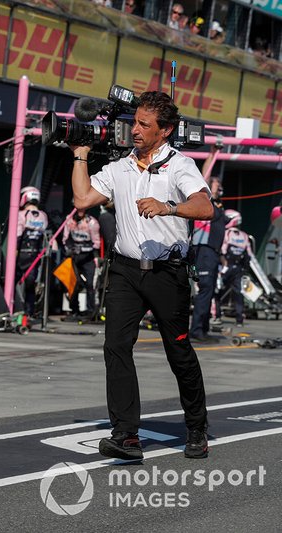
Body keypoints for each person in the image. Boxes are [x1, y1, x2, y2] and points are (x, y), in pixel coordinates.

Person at [69, 90, 214, 461]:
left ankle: (196, 427)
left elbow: (205, 207)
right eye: (134, 121)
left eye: (144, 124)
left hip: (168, 272)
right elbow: (83, 199)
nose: (134, 129)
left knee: (178, 351)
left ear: (164, 130)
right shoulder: (119, 167)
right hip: (126, 271)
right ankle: (126, 435)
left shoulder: (179, 165)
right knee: (116, 347)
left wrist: (169, 207)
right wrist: (81, 154)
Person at [190, 180, 226, 343]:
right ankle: (196, 330)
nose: (220, 188)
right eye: (217, 185)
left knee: (209, 291)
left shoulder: (216, 206)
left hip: (212, 253)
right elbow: (206, 176)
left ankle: (203, 329)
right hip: (204, 251)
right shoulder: (205, 203)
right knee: (204, 292)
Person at [15, 186, 49, 316]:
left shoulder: (21, 214)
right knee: (30, 285)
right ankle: (28, 312)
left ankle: (16, 309)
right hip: (35, 255)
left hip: (21, 254)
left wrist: (15, 252)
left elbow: (18, 235)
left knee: (11, 282)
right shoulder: (43, 216)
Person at [214, 209, 251, 328]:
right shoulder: (245, 236)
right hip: (238, 268)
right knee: (238, 294)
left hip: (225, 266)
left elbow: (221, 250)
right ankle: (239, 319)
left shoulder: (226, 233)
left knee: (217, 291)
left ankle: (217, 316)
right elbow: (249, 254)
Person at [62, 208, 101, 320]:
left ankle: (91, 311)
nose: (80, 211)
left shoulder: (92, 222)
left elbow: (96, 243)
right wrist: (69, 249)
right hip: (73, 256)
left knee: (90, 284)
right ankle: (74, 310)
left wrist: (88, 250)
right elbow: (65, 238)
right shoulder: (69, 219)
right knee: (73, 283)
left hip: (88, 256)